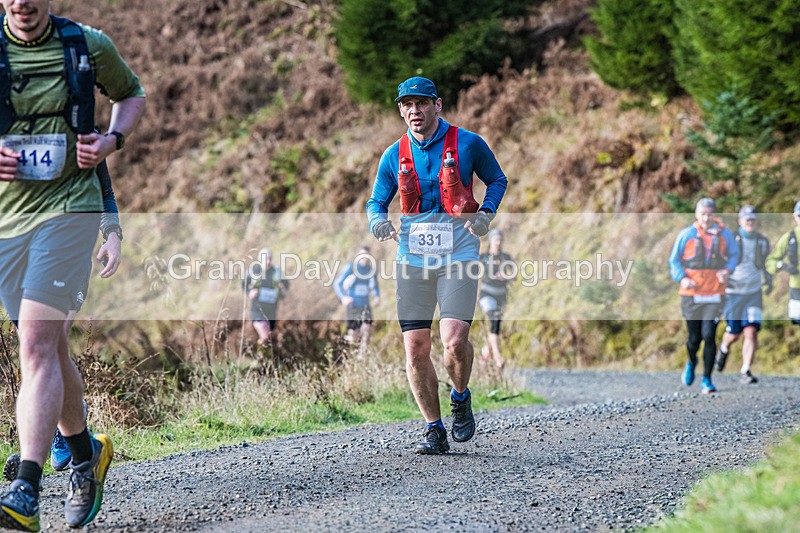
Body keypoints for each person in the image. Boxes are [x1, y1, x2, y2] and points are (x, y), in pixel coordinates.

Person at [0, 1, 146, 530]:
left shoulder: (85, 45)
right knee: (48, 347)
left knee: (37, 345)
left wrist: (111, 141)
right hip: (8, 221)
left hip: (69, 214)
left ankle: (26, 489)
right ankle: (85, 455)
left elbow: (131, 94)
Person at [367, 76, 507, 454]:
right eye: (407, 105)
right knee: (415, 347)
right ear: (401, 111)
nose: (415, 111)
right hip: (412, 259)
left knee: (455, 340)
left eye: (422, 103)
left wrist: (486, 213)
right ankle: (434, 428)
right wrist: (377, 221)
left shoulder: (468, 143)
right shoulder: (393, 154)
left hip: (459, 254)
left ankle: (460, 396)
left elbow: (497, 179)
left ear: (437, 105)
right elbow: (376, 202)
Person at [3, 160, 124, 483]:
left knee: (44, 347)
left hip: (69, 251)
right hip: (20, 255)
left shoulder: (80, 135)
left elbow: (104, 189)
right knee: (42, 351)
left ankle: (34, 465)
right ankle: (78, 440)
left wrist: (112, 234)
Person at [668, 198, 739, 394]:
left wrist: (727, 270)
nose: (706, 218)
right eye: (703, 214)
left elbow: (734, 255)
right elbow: (674, 261)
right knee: (694, 338)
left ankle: (707, 379)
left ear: (714, 215)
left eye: (710, 214)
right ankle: (691, 361)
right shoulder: (687, 235)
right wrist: (682, 278)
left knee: (709, 335)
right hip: (691, 294)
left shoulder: (725, 234)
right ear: (696, 215)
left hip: (715, 293)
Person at [715, 205, 771, 384]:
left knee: (751, 331)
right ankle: (723, 349)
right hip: (733, 293)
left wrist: (769, 281)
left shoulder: (762, 241)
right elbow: (719, 260)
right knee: (734, 334)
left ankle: (745, 370)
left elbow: (766, 264)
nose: (750, 222)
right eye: (747, 219)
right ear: (740, 221)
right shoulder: (730, 240)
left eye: (752, 219)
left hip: (754, 292)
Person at [333, 246, 380, 359]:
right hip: (353, 305)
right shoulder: (351, 267)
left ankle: (361, 357)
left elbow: (374, 286)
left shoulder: (370, 270)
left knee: (366, 330)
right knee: (354, 337)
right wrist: (343, 297)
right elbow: (337, 283)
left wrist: (376, 296)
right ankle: (342, 342)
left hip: (365, 306)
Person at [478, 229, 514, 369]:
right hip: (487, 294)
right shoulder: (484, 257)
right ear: (491, 241)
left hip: (501, 295)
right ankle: (498, 357)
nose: (498, 242)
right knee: (494, 320)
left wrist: (507, 276)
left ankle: (486, 351)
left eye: (500, 240)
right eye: (496, 239)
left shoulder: (506, 257)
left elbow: (514, 275)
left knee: (496, 323)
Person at [244, 248, 289, 346]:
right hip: (257, 310)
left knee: (268, 338)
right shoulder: (254, 271)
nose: (268, 261)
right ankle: (259, 353)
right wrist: (250, 292)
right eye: (265, 259)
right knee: (265, 336)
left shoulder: (276, 271)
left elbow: (286, 284)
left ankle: (259, 352)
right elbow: (244, 284)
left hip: (272, 310)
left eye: (270, 258)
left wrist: (283, 291)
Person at [765, 200, 800, 325]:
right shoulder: (790, 237)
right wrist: (783, 266)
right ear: (795, 217)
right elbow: (770, 261)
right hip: (797, 288)